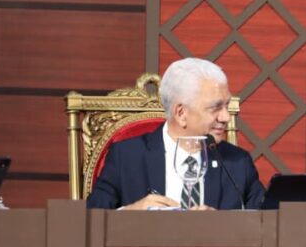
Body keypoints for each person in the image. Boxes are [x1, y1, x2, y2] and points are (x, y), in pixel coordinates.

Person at [86, 58, 264, 210]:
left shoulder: (237, 163)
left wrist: (220, 225)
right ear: (181, 113)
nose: (226, 117)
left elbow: (265, 221)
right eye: (215, 107)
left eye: (226, 106)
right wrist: (131, 212)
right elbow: (93, 216)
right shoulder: (126, 156)